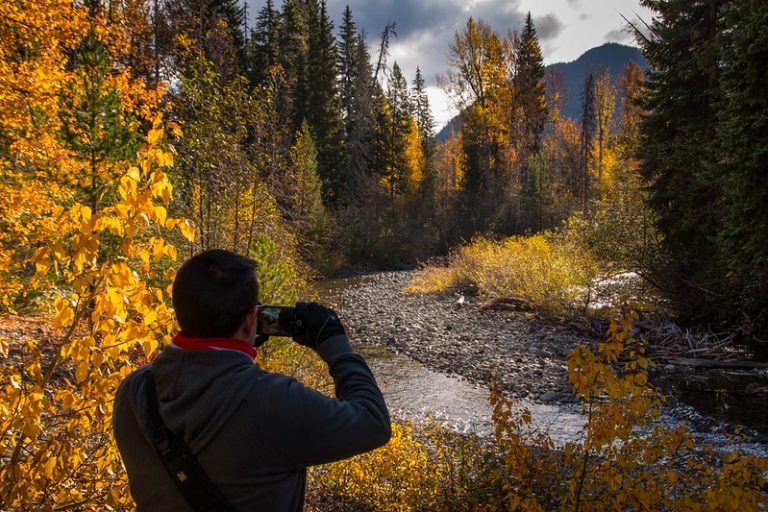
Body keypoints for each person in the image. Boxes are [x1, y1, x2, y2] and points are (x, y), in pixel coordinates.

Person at [113, 249, 391, 511]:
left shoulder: (134, 392)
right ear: (250, 322)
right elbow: (373, 421)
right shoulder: (274, 402)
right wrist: (335, 346)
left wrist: (237, 348)